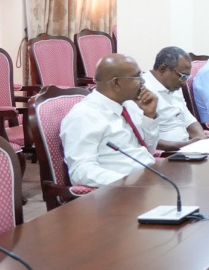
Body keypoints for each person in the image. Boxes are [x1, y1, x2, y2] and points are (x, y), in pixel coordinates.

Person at [61, 53, 160, 187]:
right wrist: (126, 182)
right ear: (116, 83)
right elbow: (81, 171)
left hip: (148, 179)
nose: (143, 82)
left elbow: (148, 151)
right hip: (122, 191)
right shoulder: (84, 115)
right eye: (137, 77)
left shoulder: (129, 105)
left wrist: (149, 116)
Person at [144, 46, 209, 152]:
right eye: (182, 76)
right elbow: (144, 138)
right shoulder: (143, 89)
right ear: (162, 69)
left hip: (186, 147)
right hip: (167, 153)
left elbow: (187, 117)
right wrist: (184, 145)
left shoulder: (174, 86)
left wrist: (201, 138)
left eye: (187, 77)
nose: (184, 82)